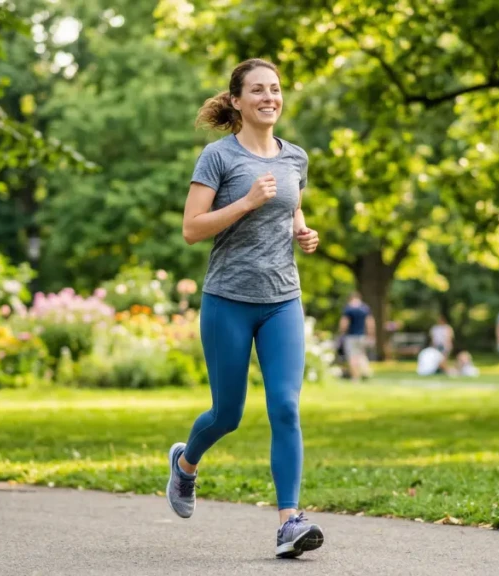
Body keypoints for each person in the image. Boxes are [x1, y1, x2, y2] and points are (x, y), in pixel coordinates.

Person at [165, 58, 324, 559]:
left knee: (286, 406)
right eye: (257, 90)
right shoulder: (217, 157)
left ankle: (289, 522)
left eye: (274, 89)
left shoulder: (295, 157)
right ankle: (185, 464)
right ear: (237, 100)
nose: (268, 97)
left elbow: (292, 206)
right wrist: (247, 202)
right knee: (227, 414)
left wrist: (303, 230)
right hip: (228, 300)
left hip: (282, 300)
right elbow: (192, 229)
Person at [339, 292, 374, 381]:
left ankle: (355, 377)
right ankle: (366, 371)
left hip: (351, 336)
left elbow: (344, 323)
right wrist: (371, 335)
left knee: (352, 356)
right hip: (362, 336)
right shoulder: (365, 308)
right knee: (361, 354)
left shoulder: (348, 309)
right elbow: (370, 323)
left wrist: (342, 333)